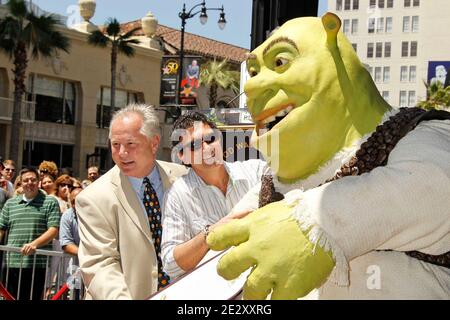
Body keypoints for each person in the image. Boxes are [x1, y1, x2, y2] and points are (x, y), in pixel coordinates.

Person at [207, 14, 450, 300]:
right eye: (255, 71)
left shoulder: (418, 136)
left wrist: (316, 223)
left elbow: (435, 185)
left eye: (280, 62)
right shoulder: (268, 188)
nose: (251, 87)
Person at [76, 103, 188, 300]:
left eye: (130, 144)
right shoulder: (93, 198)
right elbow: (100, 265)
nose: (121, 153)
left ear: (154, 143)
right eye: (115, 145)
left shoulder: (184, 178)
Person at [161, 111, 266, 279]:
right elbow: (170, 265)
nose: (207, 148)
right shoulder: (177, 196)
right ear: (182, 156)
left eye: (211, 139)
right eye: (195, 145)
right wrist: (211, 233)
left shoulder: (257, 172)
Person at [0, 167, 60, 300]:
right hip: (11, 263)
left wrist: (34, 245)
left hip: (36, 265)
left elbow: (53, 229)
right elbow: (1, 228)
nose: (29, 183)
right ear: (21, 183)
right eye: (26, 180)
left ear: (39, 182)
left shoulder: (50, 202)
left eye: (33, 180)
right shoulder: (11, 203)